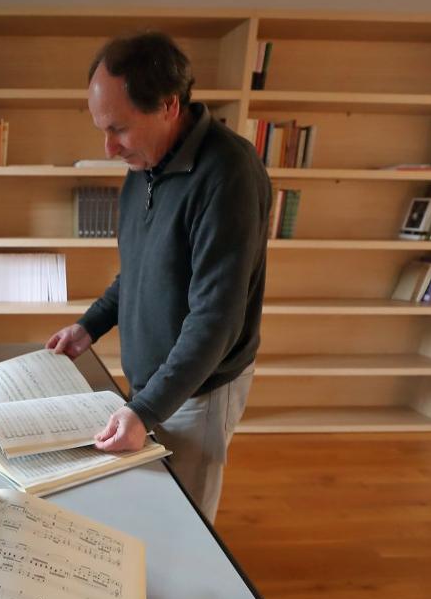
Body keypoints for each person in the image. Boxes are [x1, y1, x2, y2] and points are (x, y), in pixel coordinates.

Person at [47, 32, 270, 523]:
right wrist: (89, 325)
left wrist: (144, 410)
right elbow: (140, 271)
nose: (109, 147)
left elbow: (216, 318)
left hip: (200, 388)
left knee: (186, 520)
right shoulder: (145, 165)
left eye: (119, 129)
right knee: (150, 506)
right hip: (153, 382)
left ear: (169, 106)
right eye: (102, 129)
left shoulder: (228, 174)